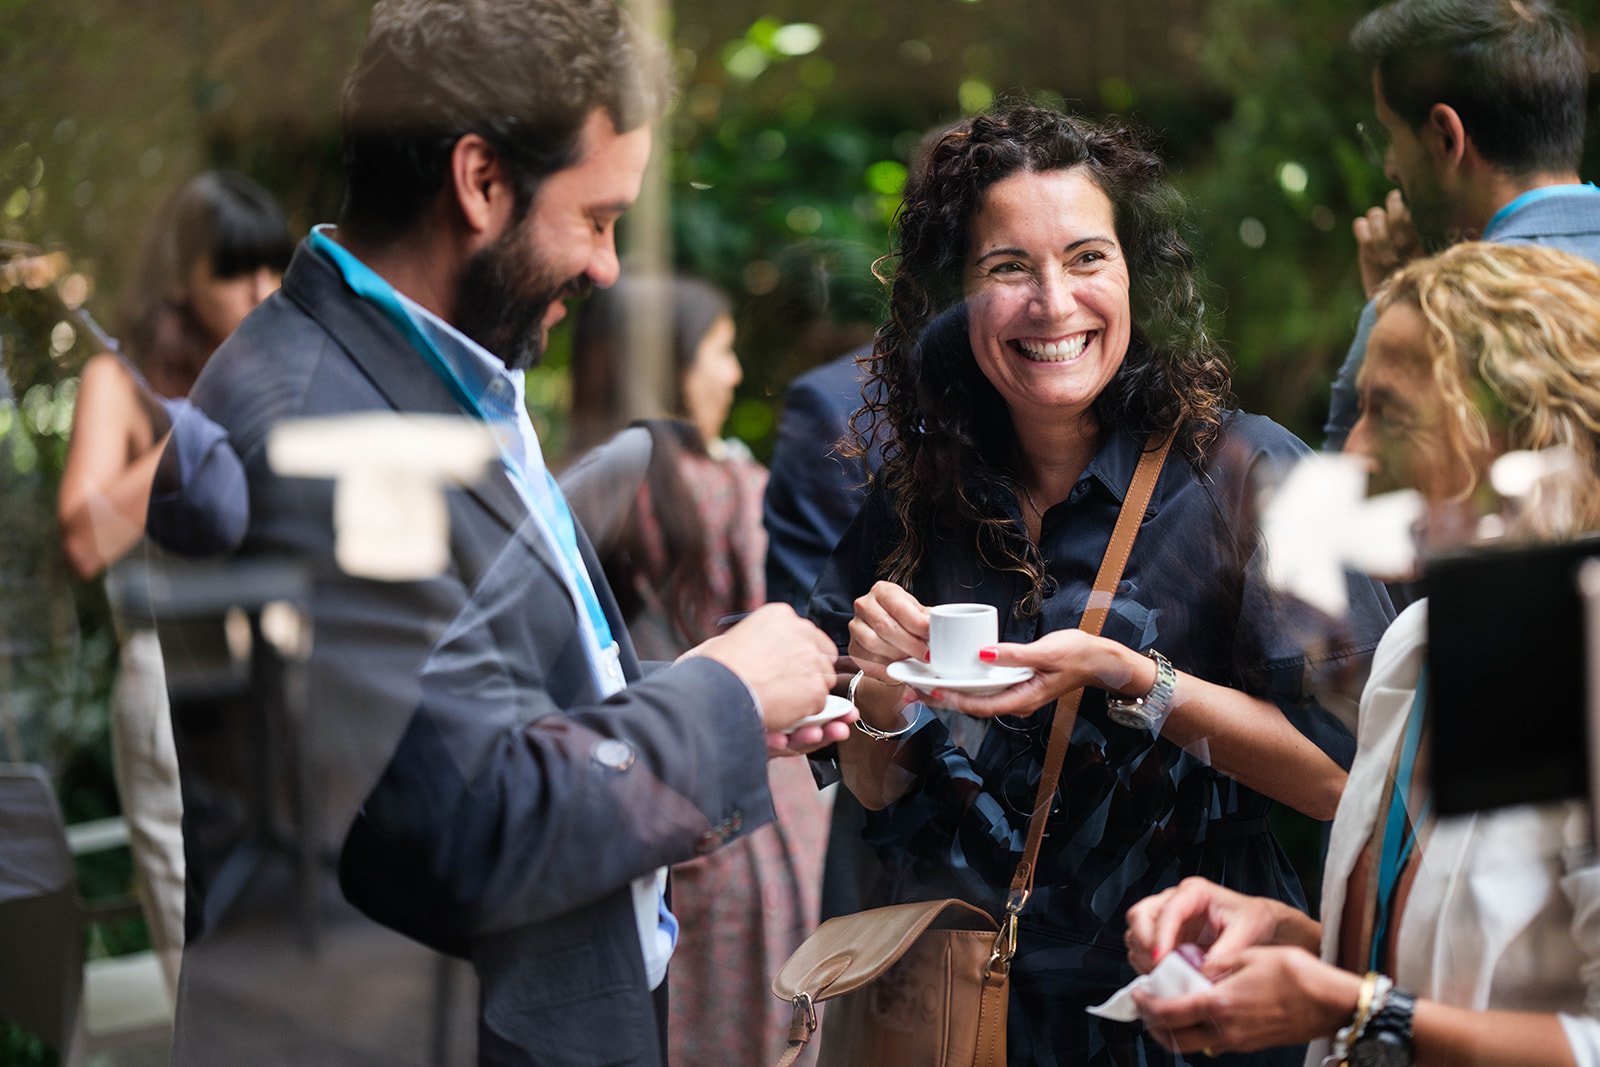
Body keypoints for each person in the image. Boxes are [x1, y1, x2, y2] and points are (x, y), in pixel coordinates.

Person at [145, 2, 847, 1063]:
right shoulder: (317, 428)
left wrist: (681, 691)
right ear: (479, 182)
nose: (608, 266)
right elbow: (463, 820)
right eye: (598, 216)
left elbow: (480, 700)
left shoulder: (446, 366)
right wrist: (722, 697)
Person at [810, 102, 1394, 1065]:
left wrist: (1134, 679)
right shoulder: (918, 497)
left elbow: (1349, 778)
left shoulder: (1253, 474)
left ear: (1137, 277)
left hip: (1197, 1007)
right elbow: (875, 793)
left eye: (1087, 257)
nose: (1053, 301)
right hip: (977, 1015)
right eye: (1008, 267)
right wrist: (876, 698)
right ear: (956, 299)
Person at [1127, 241, 1600, 1066]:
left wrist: (1355, 1008)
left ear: (1524, 429)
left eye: (1394, 411)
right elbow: (1442, 976)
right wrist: (1291, 939)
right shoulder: (1421, 642)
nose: (1354, 453)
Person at [571, 274, 832, 1065]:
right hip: (751, 820)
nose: (729, 373)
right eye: (716, 351)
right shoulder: (729, 490)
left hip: (627, 801)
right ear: (666, 365)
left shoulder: (563, 488)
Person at [56, 170, 292, 992]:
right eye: (236, 271)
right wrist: (193, 437)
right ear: (183, 277)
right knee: (206, 971)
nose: (261, 292)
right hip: (172, 684)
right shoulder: (120, 384)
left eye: (273, 269)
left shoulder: (281, 375)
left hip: (278, 680)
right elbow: (85, 539)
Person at [1322, 0, 1599, 451]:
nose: (1391, 167)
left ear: (1445, 137)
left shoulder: (1430, 317)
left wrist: (1396, 313)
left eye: (1390, 135)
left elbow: (1349, 497)